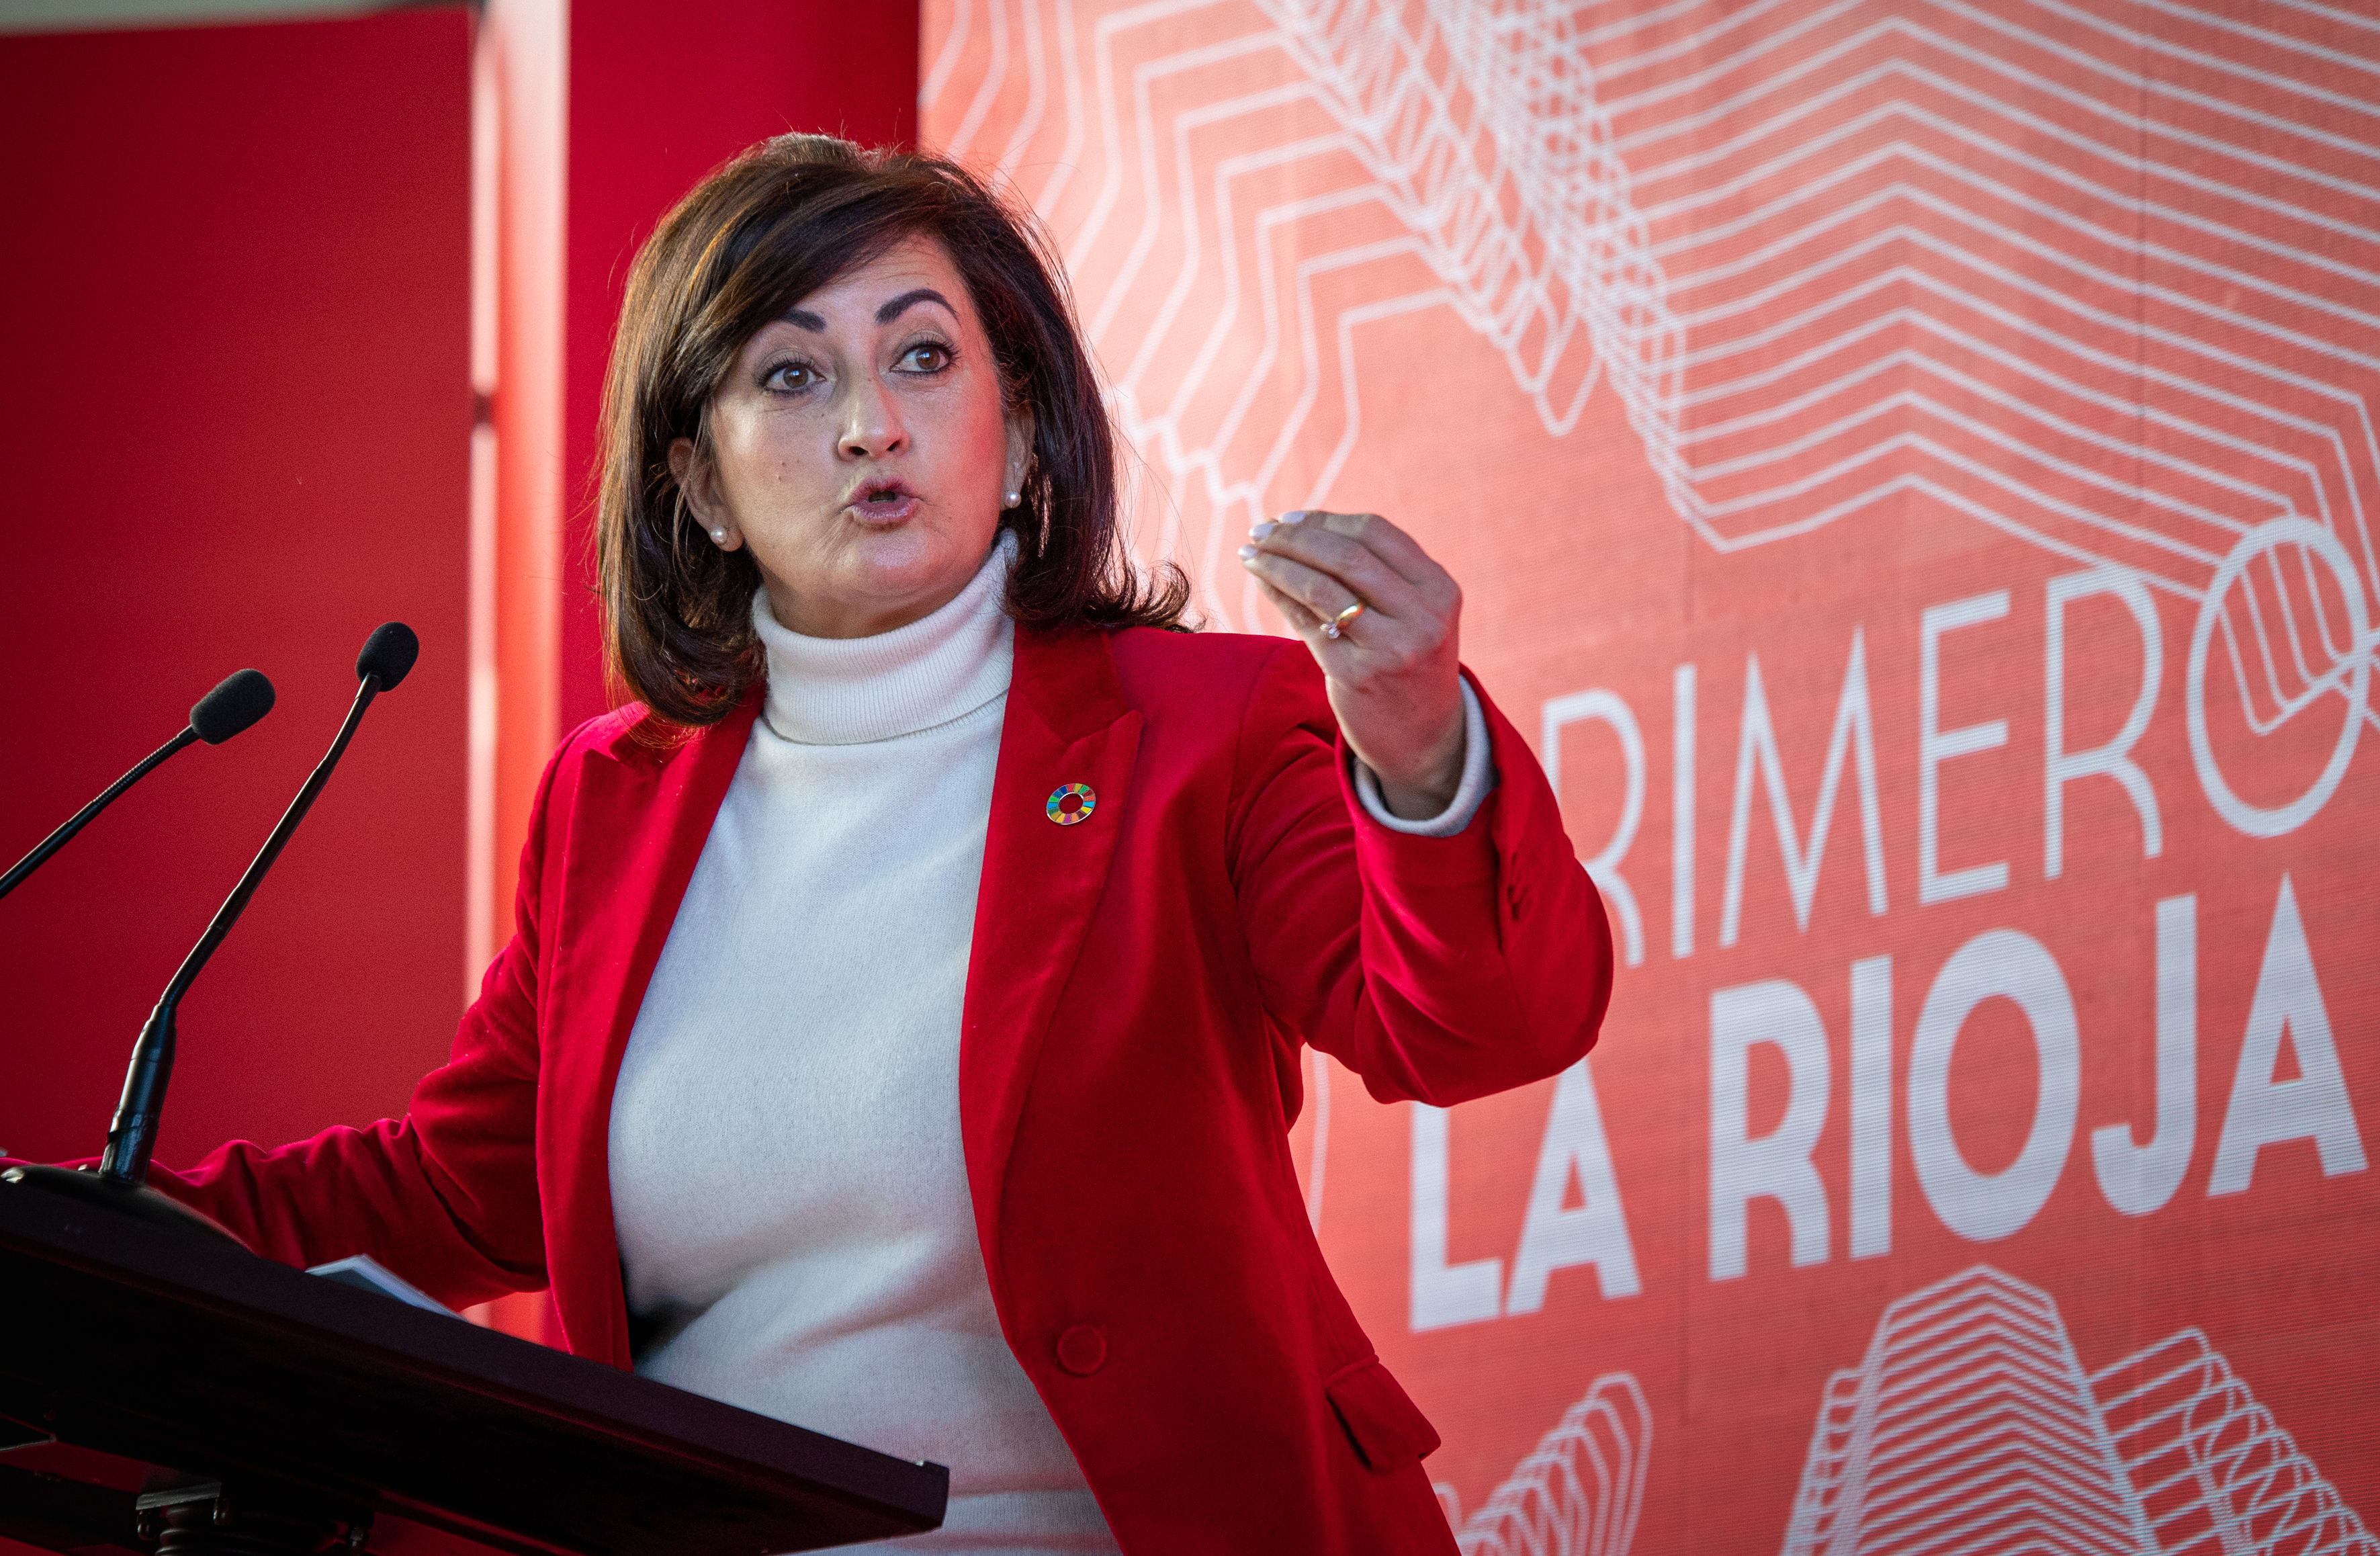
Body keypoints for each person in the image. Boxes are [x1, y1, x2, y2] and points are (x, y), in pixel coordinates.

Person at [136, 136, 1614, 1555]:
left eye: (922, 356)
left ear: (1020, 428)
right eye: (790, 375)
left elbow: (1475, 1031)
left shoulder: (1200, 729)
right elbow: (463, 1192)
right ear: (699, 488)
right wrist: (78, 1213)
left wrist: (1418, 745)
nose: (869, 424)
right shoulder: (610, 800)